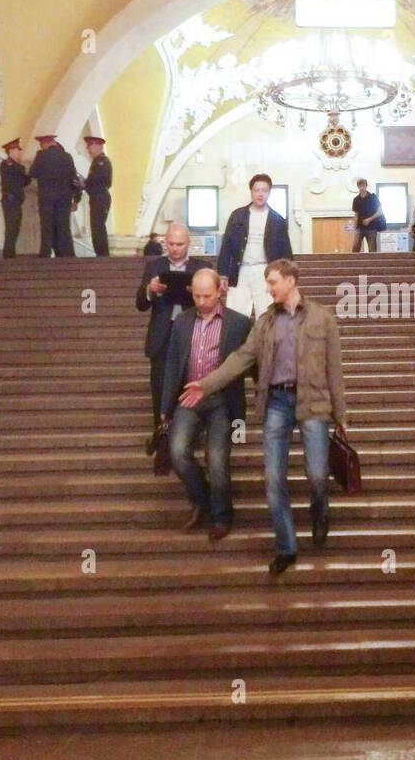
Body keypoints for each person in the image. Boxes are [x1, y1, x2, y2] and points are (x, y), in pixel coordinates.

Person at [181, 259, 346, 576]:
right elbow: (241, 359)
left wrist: (341, 414)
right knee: (273, 478)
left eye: (272, 282)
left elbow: (334, 370)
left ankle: (320, 508)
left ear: (290, 281)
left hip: (313, 402)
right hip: (276, 402)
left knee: (316, 474)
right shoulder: (266, 322)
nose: (268, 289)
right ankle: (286, 547)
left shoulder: (323, 318)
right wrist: (207, 384)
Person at [159, 268, 252, 542]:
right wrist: (165, 407)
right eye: (197, 296)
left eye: (207, 296)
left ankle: (222, 517)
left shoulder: (239, 324)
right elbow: (173, 364)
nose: (201, 302)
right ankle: (203, 499)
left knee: (217, 459)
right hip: (188, 398)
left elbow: (249, 363)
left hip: (222, 400)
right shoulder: (182, 322)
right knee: (178, 452)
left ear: (220, 291)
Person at [137, 223, 211, 423]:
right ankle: (162, 436)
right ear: (165, 243)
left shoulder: (202, 268)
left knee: (190, 387)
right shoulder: (155, 266)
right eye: (170, 244)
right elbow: (140, 304)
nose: (175, 248)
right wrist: (150, 290)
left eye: (179, 244)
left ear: (188, 243)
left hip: (194, 334)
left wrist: (196, 294)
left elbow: (214, 303)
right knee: (160, 389)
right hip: (162, 335)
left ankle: (188, 438)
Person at [217, 173, 293, 319]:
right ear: (251, 191)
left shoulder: (277, 220)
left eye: (264, 190)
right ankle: (238, 342)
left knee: (267, 314)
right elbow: (226, 246)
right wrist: (223, 274)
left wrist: (286, 276)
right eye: (257, 190)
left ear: (269, 192)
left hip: (265, 271)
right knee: (236, 315)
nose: (260, 194)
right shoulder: (237, 216)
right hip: (240, 270)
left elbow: (286, 252)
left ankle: (265, 342)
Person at [28, 134, 77, 258]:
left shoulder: (42, 156)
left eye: (41, 145)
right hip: (64, 197)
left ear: (44, 144)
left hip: (47, 196)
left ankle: (45, 252)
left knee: (47, 225)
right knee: (63, 225)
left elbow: (32, 173)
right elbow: (73, 178)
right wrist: (76, 198)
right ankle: (66, 253)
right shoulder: (67, 156)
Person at [0, 138, 29, 259]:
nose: (18, 153)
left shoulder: (16, 166)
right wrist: (20, 169)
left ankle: (11, 252)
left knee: (16, 226)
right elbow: (22, 177)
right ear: (10, 151)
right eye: (16, 150)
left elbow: (26, 180)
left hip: (17, 200)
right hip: (9, 199)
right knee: (11, 226)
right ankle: (8, 254)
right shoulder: (6, 164)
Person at [83, 135, 112, 258]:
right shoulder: (97, 162)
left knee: (98, 225)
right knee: (96, 225)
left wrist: (85, 183)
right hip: (96, 196)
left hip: (100, 196)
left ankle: (102, 254)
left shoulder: (102, 161)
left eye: (90, 146)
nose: (88, 149)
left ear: (97, 146)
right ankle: (100, 252)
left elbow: (99, 178)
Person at [350, 179, 385, 253]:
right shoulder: (356, 199)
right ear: (358, 187)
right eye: (360, 186)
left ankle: (372, 264)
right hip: (359, 227)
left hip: (371, 227)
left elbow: (380, 212)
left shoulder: (373, 197)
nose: (361, 188)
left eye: (363, 185)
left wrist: (369, 219)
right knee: (355, 248)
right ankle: (354, 264)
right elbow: (356, 215)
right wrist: (354, 227)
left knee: (372, 249)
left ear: (366, 186)